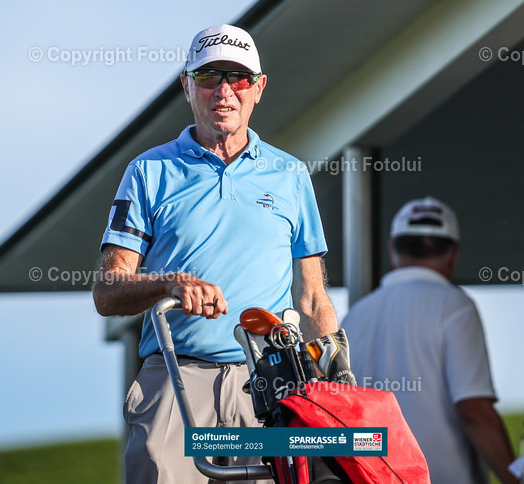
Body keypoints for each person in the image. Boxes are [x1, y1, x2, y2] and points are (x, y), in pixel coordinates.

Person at [92, 24, 341, 484]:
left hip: (271, 382)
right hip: (176, 375)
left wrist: (335, 376)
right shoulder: (147, 171)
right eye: (208, 77)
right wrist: (170, 282)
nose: (224, 91)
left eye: (239, 78)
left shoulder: (290, 175)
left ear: (259, 88)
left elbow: (312, 299)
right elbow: (107, 292)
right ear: (186, 85)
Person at [342, 197, 518, 484]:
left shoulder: (353, 318)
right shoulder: (454, 305)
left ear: (393, 251)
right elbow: (474, 412)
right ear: (454, 254)